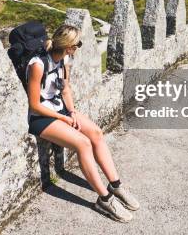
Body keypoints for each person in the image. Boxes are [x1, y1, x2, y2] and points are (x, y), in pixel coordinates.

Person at [26, 24, 140, 223]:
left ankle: (115, 185)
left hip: (60, 109)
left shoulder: (65, 60)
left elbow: (66, 89)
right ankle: (104, 200)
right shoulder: (38, 64)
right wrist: (63, 118)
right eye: (77, 43)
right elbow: (34, 104)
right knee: (83, 143)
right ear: (69, 46)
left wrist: (72, 112)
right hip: (41, 117)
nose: (79, 46)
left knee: (95, 133)